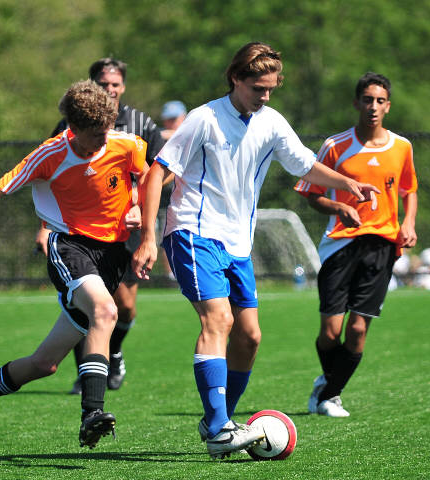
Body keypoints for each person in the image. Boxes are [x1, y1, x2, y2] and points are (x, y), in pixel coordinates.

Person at [132, 42, 380, 459]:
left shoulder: (271, 122)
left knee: (249, 337)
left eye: (270, 89)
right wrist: (146, 238)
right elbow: (155, 175)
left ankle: (220, 421)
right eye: (257, 88)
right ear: (236, 79)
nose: (264, 96)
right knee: (219, 320)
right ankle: (218, 429)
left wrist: (347, 184)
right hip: (193, 232)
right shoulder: (204, 118)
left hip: (237, 243)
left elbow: (304, 164)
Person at [0, 80, 147, 449]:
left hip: (111, 258)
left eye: (107, 131)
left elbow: (149, 176)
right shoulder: (49, 154)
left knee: (44, 364)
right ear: (74, 128)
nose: (104, 140)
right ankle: (92, 413)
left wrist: (138, 205)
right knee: (106, 311)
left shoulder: (125, 144)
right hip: (70, 247)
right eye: (95, 134)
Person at [294, 72, 418, 417]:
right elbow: (311, 194)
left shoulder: (402, 147)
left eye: (380, 101)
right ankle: (328, 385)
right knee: (330, 332)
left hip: (382, 245)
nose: (373, 106)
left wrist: (408, 222)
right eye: (367, 99)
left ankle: (329, 395)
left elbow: (409, 189)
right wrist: (339, 207)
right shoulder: (335, 146)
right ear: (356, 102)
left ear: (388, 106)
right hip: (339, 244)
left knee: (359, 329)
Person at [40, 57, 165, 394]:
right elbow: (50, 178)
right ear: (91, 85)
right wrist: (45, 227)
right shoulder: (70, 125)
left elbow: (160, 171)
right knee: (88, 305)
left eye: (115, 84)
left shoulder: (139, 123)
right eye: (103, 84)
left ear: (123, 87)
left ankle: (115, 352)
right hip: (79, 231)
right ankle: (88, 376)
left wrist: (138, 204)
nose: (110, 89)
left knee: (125, 306)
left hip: (126, 227)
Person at [158, 100, 188, 279]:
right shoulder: (161, 137)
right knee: (164, 235)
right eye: (168, 119)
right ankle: (171, 276)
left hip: (186, 194)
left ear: (184, 117)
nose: (170, 123)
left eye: (174, 119)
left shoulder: (191, 132)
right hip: (163, 195)